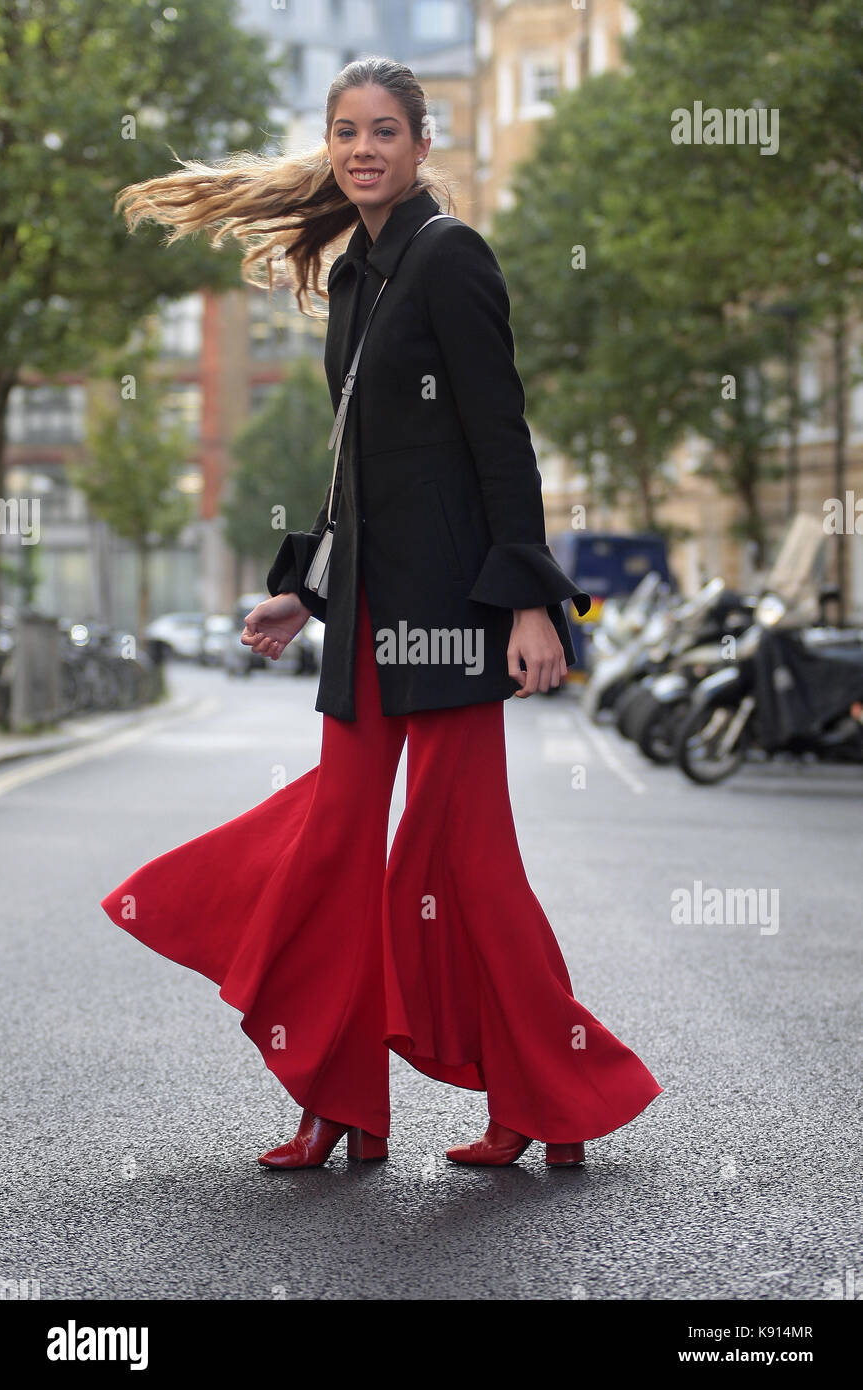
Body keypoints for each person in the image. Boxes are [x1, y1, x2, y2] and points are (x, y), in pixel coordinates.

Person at [101, 56, 662, 1170]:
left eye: (384, 131)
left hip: (453, 614)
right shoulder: (354, 275)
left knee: (471, 863)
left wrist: (530, 606)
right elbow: (355, 464)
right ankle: (339, 1098)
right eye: (345, 131)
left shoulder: (450, 257)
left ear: (419, 144)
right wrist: (299, 588)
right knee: (335, 852)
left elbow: (500, 440)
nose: (363, 148)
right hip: (362, 611)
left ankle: (542, 1097)